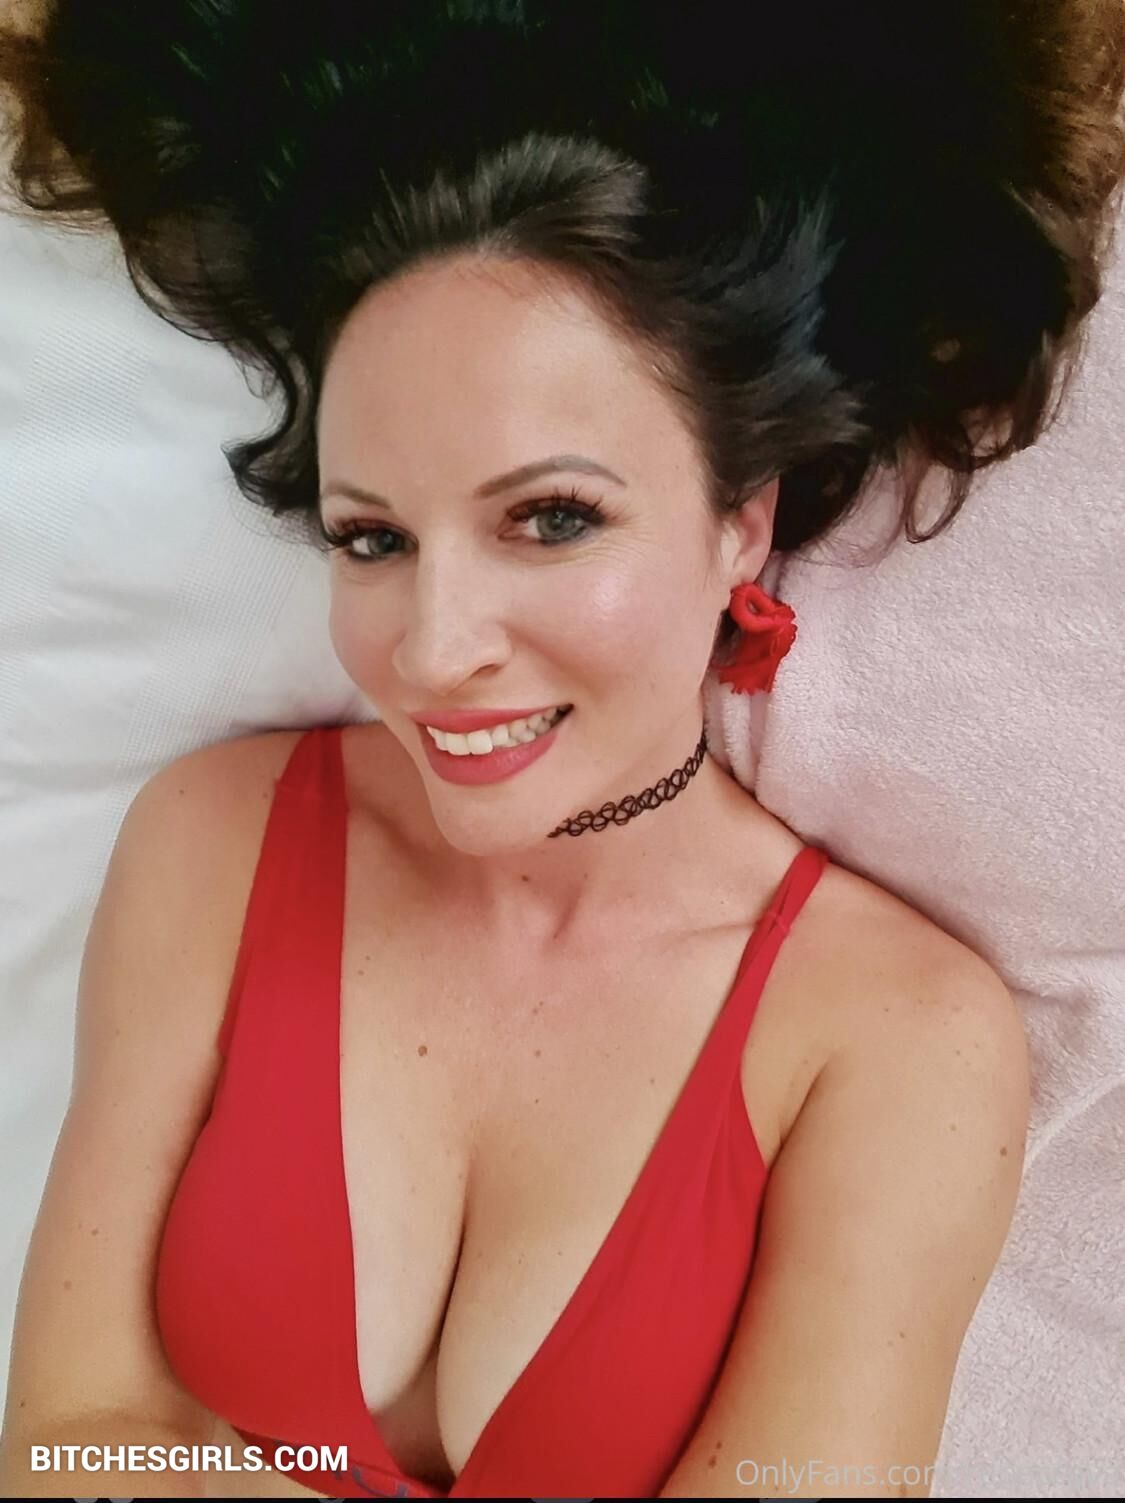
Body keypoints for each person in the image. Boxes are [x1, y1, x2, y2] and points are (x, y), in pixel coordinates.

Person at [1, 2, 1121, 1497]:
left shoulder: (899, 1039)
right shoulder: (215, 837)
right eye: (373, 537)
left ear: (741, 523)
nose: (432, 646)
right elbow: (60, 1441)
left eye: (550, 518)